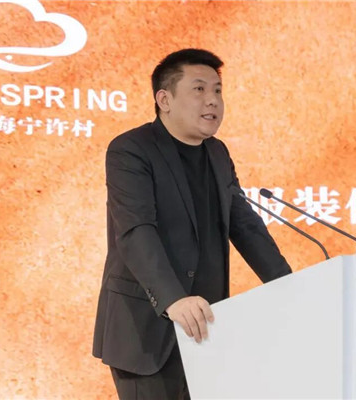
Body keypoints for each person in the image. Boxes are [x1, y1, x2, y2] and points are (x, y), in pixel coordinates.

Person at [92, 48, 292, 399]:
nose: (212, 100)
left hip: (207, 330)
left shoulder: (217, 152)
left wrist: (290, 284)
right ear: (164, 99)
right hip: (148, 331)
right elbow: (136, 231)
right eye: (199, 89)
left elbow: (244, 225)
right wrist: (174, 300)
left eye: (217, 90)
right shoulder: (131, 150)